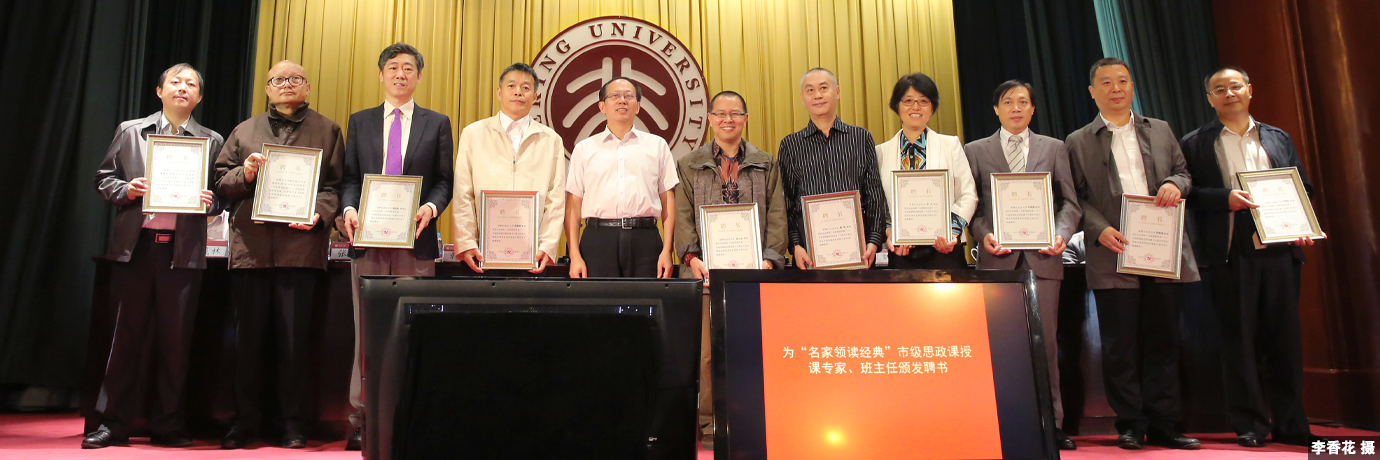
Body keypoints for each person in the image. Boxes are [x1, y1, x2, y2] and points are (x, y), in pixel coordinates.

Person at [1180, 66, 1321, 447]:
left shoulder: (1277, 137)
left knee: (1284, 340)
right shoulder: (1195, 143)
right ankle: (1250, 425)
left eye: (1235, 86)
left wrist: (1302, 224)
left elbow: (1302, 188)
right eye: (1219, 89)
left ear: (1249, 90)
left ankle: (1292, 423)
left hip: (1280, 248)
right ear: (1209, 98)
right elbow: (1187, 195)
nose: (1229, 94)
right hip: (1229, 250)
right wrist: (1223, 198)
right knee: (1237, 341)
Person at [84, 63, 223, 449]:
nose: (183, 88)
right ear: (160, 91)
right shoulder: (132, 131)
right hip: (137, 250)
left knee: (176, 345)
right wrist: (127, 189)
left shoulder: (211, 140)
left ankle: (168, 425)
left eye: (191, 84)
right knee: (124, 342)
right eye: (175, 82)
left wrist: (211, 202)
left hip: (183, 253)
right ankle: (112, 424)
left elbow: (221, 195)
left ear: (199, 97)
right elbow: (103, 179)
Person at [1066, 57, 1201, 450]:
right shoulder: (1077, 141)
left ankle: (1164, 422)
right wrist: (1098, 228)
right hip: (1113, 250)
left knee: (1164, 340)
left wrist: (1175, 184)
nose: (1116, 88)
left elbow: (1184, 173)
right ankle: (1130, 423)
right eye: (1106, 82)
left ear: (1132, 87)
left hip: (1161, 248)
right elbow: (1074, 197)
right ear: (1092, 91)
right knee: (1120, 345)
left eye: (1122, 81)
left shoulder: (1160, 129)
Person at [214, 60, 344, 449]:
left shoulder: (328, 130)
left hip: (300, 251)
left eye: (295, 79)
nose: (287, 84)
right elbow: (221, 181)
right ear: (268, 88)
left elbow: (336, 187)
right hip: (251, 250)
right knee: (248, 343)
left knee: (295, 343)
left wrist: (318, 214)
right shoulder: (244, 130)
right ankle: (245, 422)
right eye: (278, 79)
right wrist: (245, 174)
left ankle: (293, 423)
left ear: (308, 87)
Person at [337, 43, 453, 451]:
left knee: (412, 328)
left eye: (408, 68)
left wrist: (431, 208)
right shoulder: (360, 121)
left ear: (419, 77)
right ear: (381, 74)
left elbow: (444, 180)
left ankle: (410, 414)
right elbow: (349, 178)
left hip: (415, 241)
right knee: (366, 330)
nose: (400, 74)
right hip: (368, 240)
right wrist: (349, 209)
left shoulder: (437, 123)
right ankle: (361, 418)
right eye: (393, 68)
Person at [965, 79, 1081, 450]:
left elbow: (1070, 202)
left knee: (1046, 345)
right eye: (1007, 102)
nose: (1015, 108)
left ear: (1033, 108)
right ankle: (1001, 420)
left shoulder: (1054, 147)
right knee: (998, 344)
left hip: (1043, 258)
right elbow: (971, 206)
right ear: (995, 109)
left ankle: (1052, 423)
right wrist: (983, 234)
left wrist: (1061, 234)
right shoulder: (975, 150)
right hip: (997, 261)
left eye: (1023, 101)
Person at [672, 90, 787, 448]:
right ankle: (709, 427)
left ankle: (752, 421)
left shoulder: (767, 163)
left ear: (746, 119)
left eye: (735, 113)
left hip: (753, 275)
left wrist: (769, 259)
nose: (728, 120)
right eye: (720, 113)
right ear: (709, 119)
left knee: (751, 348)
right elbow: (682, 217)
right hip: (706, 273)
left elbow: (778, 215)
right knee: (707, 355)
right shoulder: (689, 164)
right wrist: (691, 258)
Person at [452, 62, 567, 274]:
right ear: (499, 92)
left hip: (533, 253)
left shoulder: (551, 140)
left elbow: (556, 199)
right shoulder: (473, 134)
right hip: (482, 251)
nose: (518, 92)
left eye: (526, 87)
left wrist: (548, 246)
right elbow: (462, 194)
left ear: (535, 96)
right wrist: (467, 242)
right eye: (511, 86)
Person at [565, 77, 678, 278]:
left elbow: (667, 200)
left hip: (645, 240)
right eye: (615, 95)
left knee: (648, 297)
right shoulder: (584, 149)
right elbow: (573, 205)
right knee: (598, 299)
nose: (622, 100)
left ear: (638, 107)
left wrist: (667, 251)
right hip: (598, 240)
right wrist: (574, 255)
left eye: (629, 96)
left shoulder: (657, 146)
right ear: (602, 106)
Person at [778, 67, 888, 269]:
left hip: (860, 254)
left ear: (837, 92)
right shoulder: (790, 145)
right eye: (810, 90)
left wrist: (874, 241)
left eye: (823, 88)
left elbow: (874, 194)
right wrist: (795, 246)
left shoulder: (860, 138)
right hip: (809, 257)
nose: (817, 95)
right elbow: (787, 202)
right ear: (802, 97)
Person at [876, 72, 977, 269]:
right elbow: (878, 204)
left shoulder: (950, 145)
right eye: (908, 101)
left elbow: (967, 194)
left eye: (923, 101)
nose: (916, 107)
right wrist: (890, 233)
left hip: (945, 250)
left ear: (932, 108)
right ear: (897, 106)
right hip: (901, 252)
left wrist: (951, 232)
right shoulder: (880, 152)